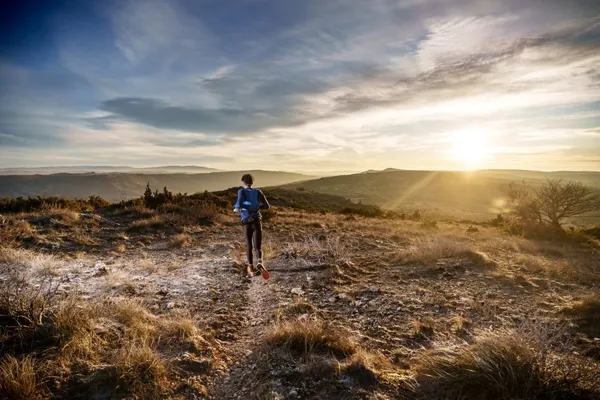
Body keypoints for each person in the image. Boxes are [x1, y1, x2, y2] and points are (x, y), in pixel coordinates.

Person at [234, 173, 271, 279]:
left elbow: (238, 203)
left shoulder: (241, 191)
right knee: (257, 246)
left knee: (249, 246)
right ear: (252, 182)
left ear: (243, 182)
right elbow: (267, 206)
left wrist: (238, 208)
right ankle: (260, 262)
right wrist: (256, 206)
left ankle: (251, 267)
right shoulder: (258, 191)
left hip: (246, 221)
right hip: (256, 220)